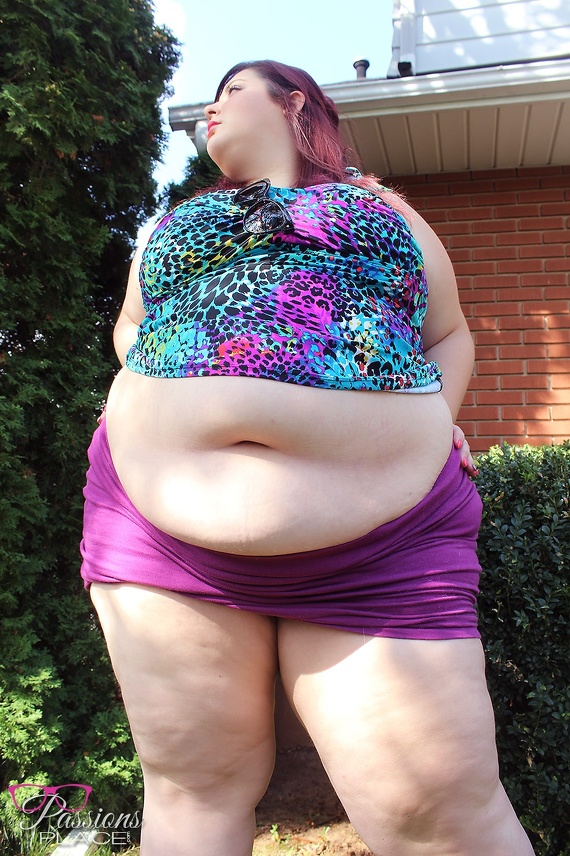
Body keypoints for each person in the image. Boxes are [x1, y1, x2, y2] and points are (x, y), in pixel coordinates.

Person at [80, 60, 535, 856]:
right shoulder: (177, 219)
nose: (211, 110)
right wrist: (142, 392)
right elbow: (130, 325)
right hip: (156, 530)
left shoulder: (377, 204)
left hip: (382, 540)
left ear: (294, 103)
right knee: (193, 789)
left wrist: (437, 422)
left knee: (438, 816)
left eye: (232, 91)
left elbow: (449, 332)